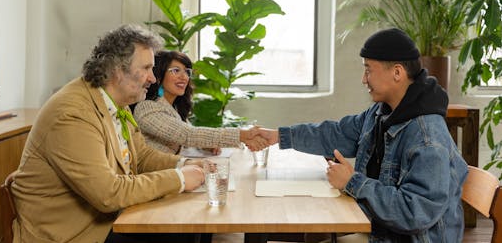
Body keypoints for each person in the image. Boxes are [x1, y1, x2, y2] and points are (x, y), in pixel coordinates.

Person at [259, 28, 468, 242]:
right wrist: (279, 136)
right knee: (315, 231)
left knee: (316, 230)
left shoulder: (428, 139)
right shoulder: (382, 112)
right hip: (382, 227)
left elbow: (415, 213)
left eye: (368, 70)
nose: (363, 79)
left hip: (407, 237)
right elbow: (337, 133)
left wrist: (352, 181)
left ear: (397, 72)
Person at [11, 25, 206, 243]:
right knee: (180, 231)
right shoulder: (72, 114)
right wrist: (179, 179)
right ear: (117, 70)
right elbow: (108, 194)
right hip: (73, 234)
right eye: (147, 68)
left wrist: (186, 163)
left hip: (106, 219)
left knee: (192, 224)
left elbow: (141, 157)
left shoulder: (116, 103)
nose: (153, 78)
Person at [133, 50, 267, 155]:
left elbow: (187, 136)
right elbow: (186, 135)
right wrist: (243, 135)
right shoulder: (147, 108)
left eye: (187, 72)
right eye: (175, 71)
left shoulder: (174, 108)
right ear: (159, 75)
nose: (184, 76)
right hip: (153, 181)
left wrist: (205, 145)